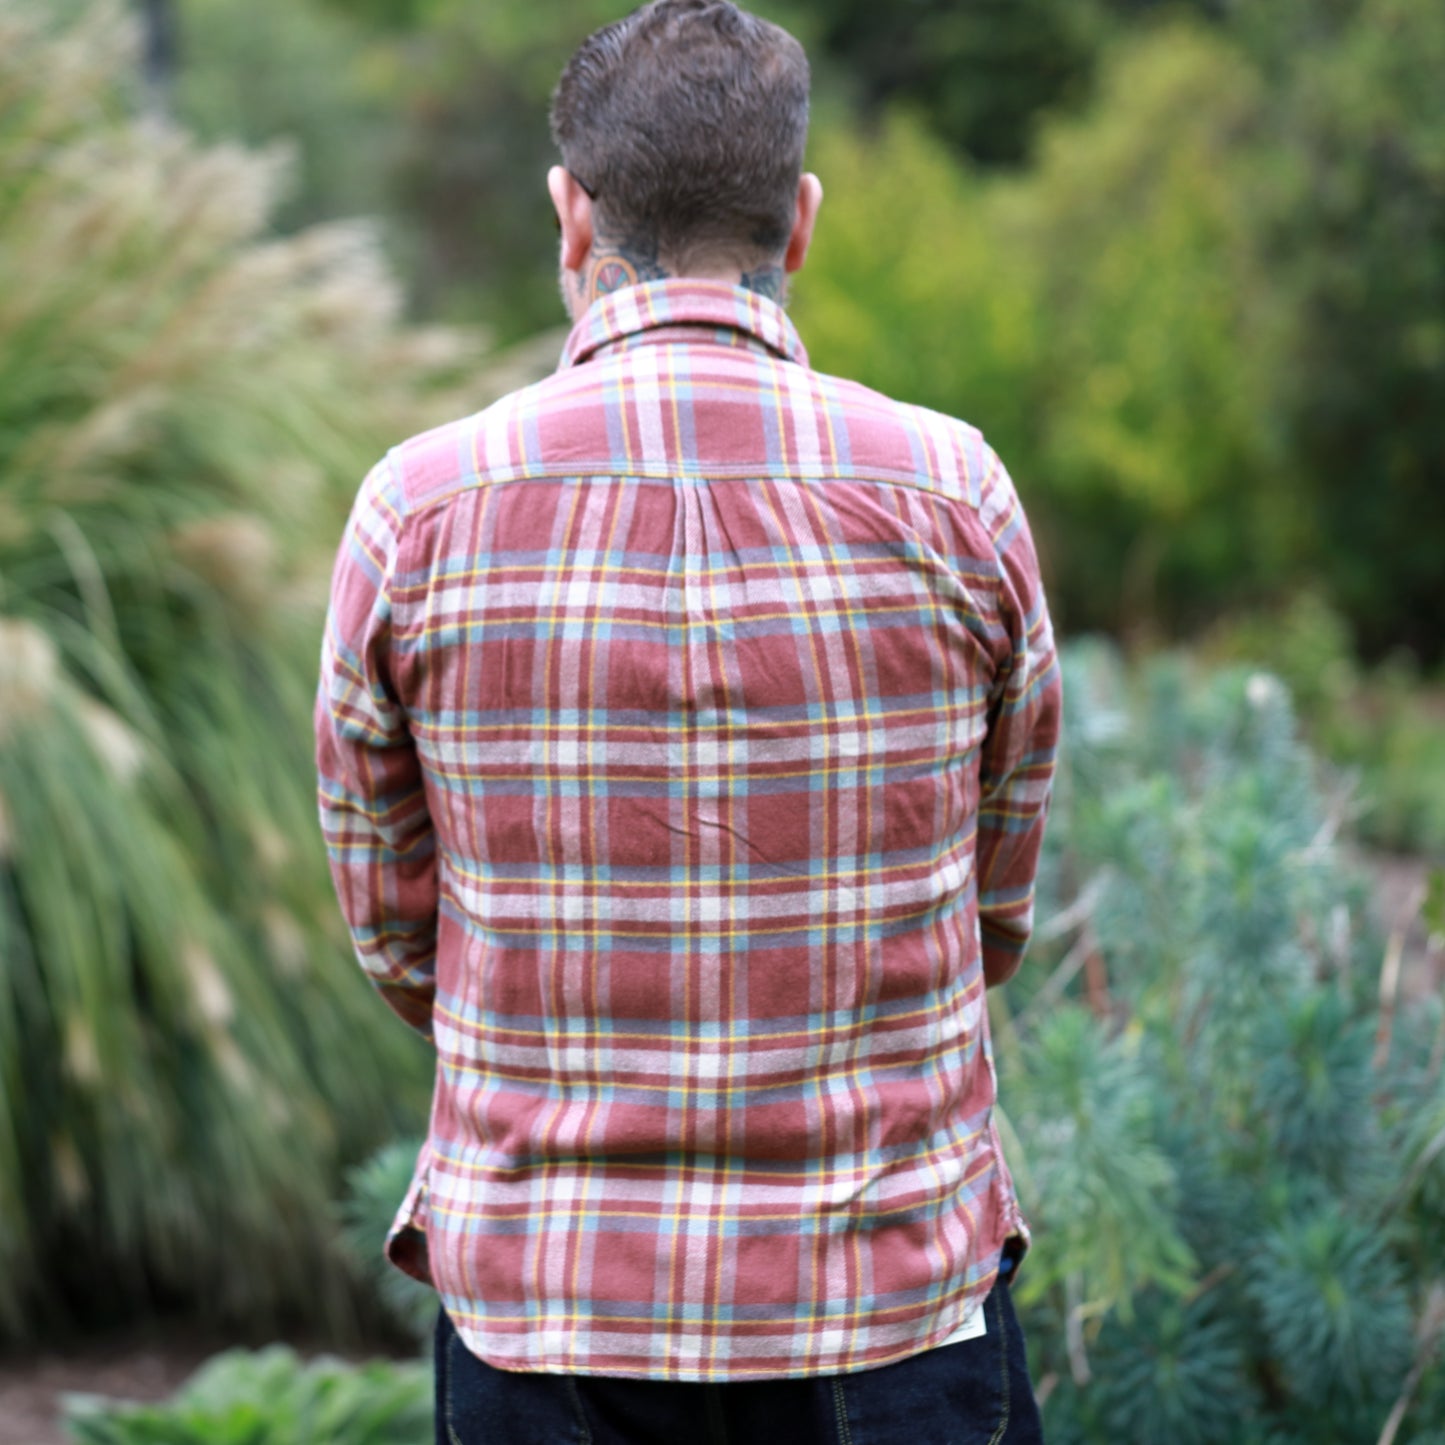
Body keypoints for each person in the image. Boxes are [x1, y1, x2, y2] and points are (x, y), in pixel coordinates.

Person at [316, 3, 1061, 1440]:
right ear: (801, 220)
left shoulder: (418, 510)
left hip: (550, 1310)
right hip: (886, 1306)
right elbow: (993, 900)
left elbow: (397, 928)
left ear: (570, 212)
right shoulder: (953, 494)